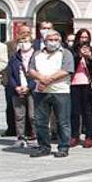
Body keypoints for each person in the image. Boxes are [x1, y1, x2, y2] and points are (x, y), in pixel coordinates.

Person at [26, 29, 74, 158]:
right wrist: (42, 80)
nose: (53, 42)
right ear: (44, 41)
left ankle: (63, 147)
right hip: (41, 92)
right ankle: (43, 147)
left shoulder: (66, 53)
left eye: (55, 40)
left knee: (62, 122)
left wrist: (47, 80)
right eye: (50, 40)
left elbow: (66, 70)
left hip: (61, 91)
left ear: (60, 41)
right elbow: (31, 70)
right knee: (40, 121)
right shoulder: (37, 54)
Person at [67, 29, 92, 149]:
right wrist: (79, 56)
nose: (84, 40)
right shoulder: (71, 51)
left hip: (88, 84)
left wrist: (90, 57)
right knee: (74, 112)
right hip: (74, 84)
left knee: (88, 112)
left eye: (86, 37)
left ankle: (89, 137)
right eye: (82, 37)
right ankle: (75, 136)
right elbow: (69, 65)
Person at [6, 26, 36, 149]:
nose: (24, 44)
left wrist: (29, 87)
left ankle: (36, 136)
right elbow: (10, 74)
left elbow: (37, 74)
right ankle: (20, 137)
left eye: (26, 41)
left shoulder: (36, 56)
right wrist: (16, 87)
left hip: (32, 89)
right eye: (21, 41)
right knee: (19, 115)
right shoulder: (14, 57)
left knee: (33, 115)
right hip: (17, 89)